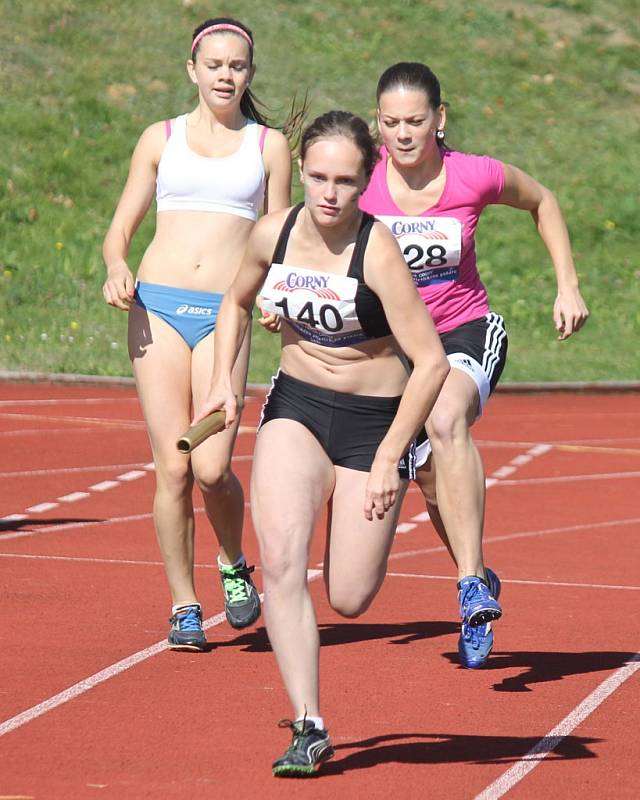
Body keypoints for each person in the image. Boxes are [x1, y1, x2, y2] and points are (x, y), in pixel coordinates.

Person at [195, 110, 450, 775]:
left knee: (348, 596)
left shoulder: (378, 251)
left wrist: (396, 452)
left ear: (367, 180)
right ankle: (308, 723)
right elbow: (236, 302)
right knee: (280, 561)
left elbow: (431, 363)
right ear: (302, 171)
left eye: (345, 181)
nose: (330, 194)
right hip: (299, 405)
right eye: (318, 177)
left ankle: (396, 476)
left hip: (376, 423)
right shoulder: (272, 234)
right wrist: (225, 381)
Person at [358, 62, 589, 669]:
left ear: (441, 117)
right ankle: (479, 571)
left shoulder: (472, 175)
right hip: (398, 348)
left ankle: (466, 588)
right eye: (390, 123)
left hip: (466, 330)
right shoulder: (364, 183)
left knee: (443, 418)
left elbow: (543, 200)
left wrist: (567, 285)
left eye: (415, 121)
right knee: (433, 480)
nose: (403, 134)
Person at [101, 17, 293, 651]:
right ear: (192, 69)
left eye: (237, 66)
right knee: (173, 469)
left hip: (226, 315)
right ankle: (184, 604)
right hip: (155, 307)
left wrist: (276, 293)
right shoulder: (160, 139)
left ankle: (234, 562)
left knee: (212, 468)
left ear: (250, 73)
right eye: (214, 65)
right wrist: (116, 267)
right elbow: (120, 226)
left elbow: (280, 237)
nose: (225, 75)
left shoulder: (267, 146)